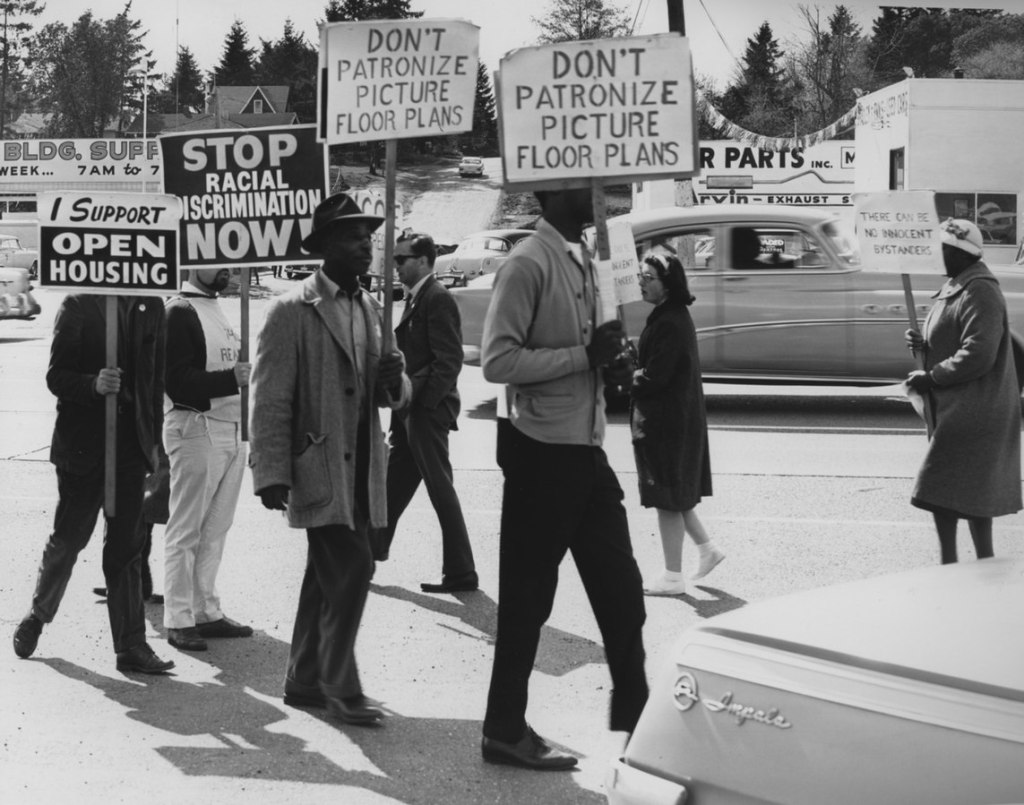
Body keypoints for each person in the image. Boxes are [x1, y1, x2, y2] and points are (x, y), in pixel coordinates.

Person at [479, 187, 648, 771]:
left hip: (586, 453)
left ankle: (639, 725)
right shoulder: (527, 263)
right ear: (554, 191)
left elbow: (597, 351)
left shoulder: (586, 258)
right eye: (587, 184)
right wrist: (584, 358)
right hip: (540, 456)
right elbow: (497, 362)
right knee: (527, 605)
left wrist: (615, 366)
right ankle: (503, 730)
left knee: (624, 598)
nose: (598, 193)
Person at [249, 193, 409, 725]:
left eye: (369, 236)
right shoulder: (291, 310)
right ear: (325, 248)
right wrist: (269, 471)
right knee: (355, 565)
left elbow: (392, 390)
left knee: (325, 573)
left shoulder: (370, 307)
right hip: (319, 466)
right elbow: (269, 396)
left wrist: (396, 381)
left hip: (363, 466)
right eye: (353, 236)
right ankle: (341, 686)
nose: (367, 244)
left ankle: (302, 678)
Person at [13, 294, 175, 674]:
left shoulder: (151, 306)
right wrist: (93, 384)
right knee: (68, 540)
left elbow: (154, 382)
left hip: (131, 452)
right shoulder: (79, 304)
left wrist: (155, 447)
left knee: (127, 548)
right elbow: (56, 376)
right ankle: (37, 615)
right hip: (83, 450)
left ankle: (131, 646)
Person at [904, 218, 1022, 564]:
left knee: (945, 486)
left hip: (976, 407)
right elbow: (951, 334)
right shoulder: (958, 284)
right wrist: (922, 343)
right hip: (960, 405)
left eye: (942, 250)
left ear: (961, 253)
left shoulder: (980, 289)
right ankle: (962, 563)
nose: (936, 256)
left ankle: (960, 563)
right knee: (963, 490)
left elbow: (978, 353)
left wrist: (932, 377)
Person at [377, 232, 478, 593]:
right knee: (394, 484)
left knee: (440, 489)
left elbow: (448, 361)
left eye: (401, 259)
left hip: (425, 411)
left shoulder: (437, 298)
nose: (396, 266)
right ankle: (369, 550)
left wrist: (422, 403)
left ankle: (461, 572)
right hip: (409, 411)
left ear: (422, 261)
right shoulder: (417, 298)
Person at [162, 267, 253, 652]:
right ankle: (179, 618)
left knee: (216, 529)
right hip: (197, 427)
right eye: (217, 262)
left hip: (231, 429)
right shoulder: (179, 311)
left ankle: (206, 609)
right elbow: (176, 380)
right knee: (187, 529)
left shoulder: (216, 307)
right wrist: (231, 380)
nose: (226, 269)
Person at [631, 254, 723, 596]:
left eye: (648, 276)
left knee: (667, 498)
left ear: (667, 283)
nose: (642, 281)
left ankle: (672, 576)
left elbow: (655, 377)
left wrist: (629, 373)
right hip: (673, 419)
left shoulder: (670, 321)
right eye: (641, 275)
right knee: (675, 495)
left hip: (666, 423)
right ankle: (707, 549)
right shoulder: (670, 316)